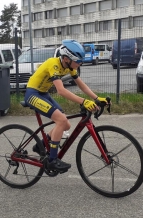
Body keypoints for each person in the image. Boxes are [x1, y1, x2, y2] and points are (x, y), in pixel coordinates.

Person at [24, 39, 109, 173]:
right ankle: (52, 160)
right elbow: (61, 91)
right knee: (62, 120)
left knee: (66, 125)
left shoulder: (70, 66)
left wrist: (97, 98)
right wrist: (83, 101)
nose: (80, 64)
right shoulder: (54, 64)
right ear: (65, 58)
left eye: (81, 61)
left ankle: (39, 145)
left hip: (43, 93)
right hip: (32, 94)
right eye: (77, 61)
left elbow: (81, 85)